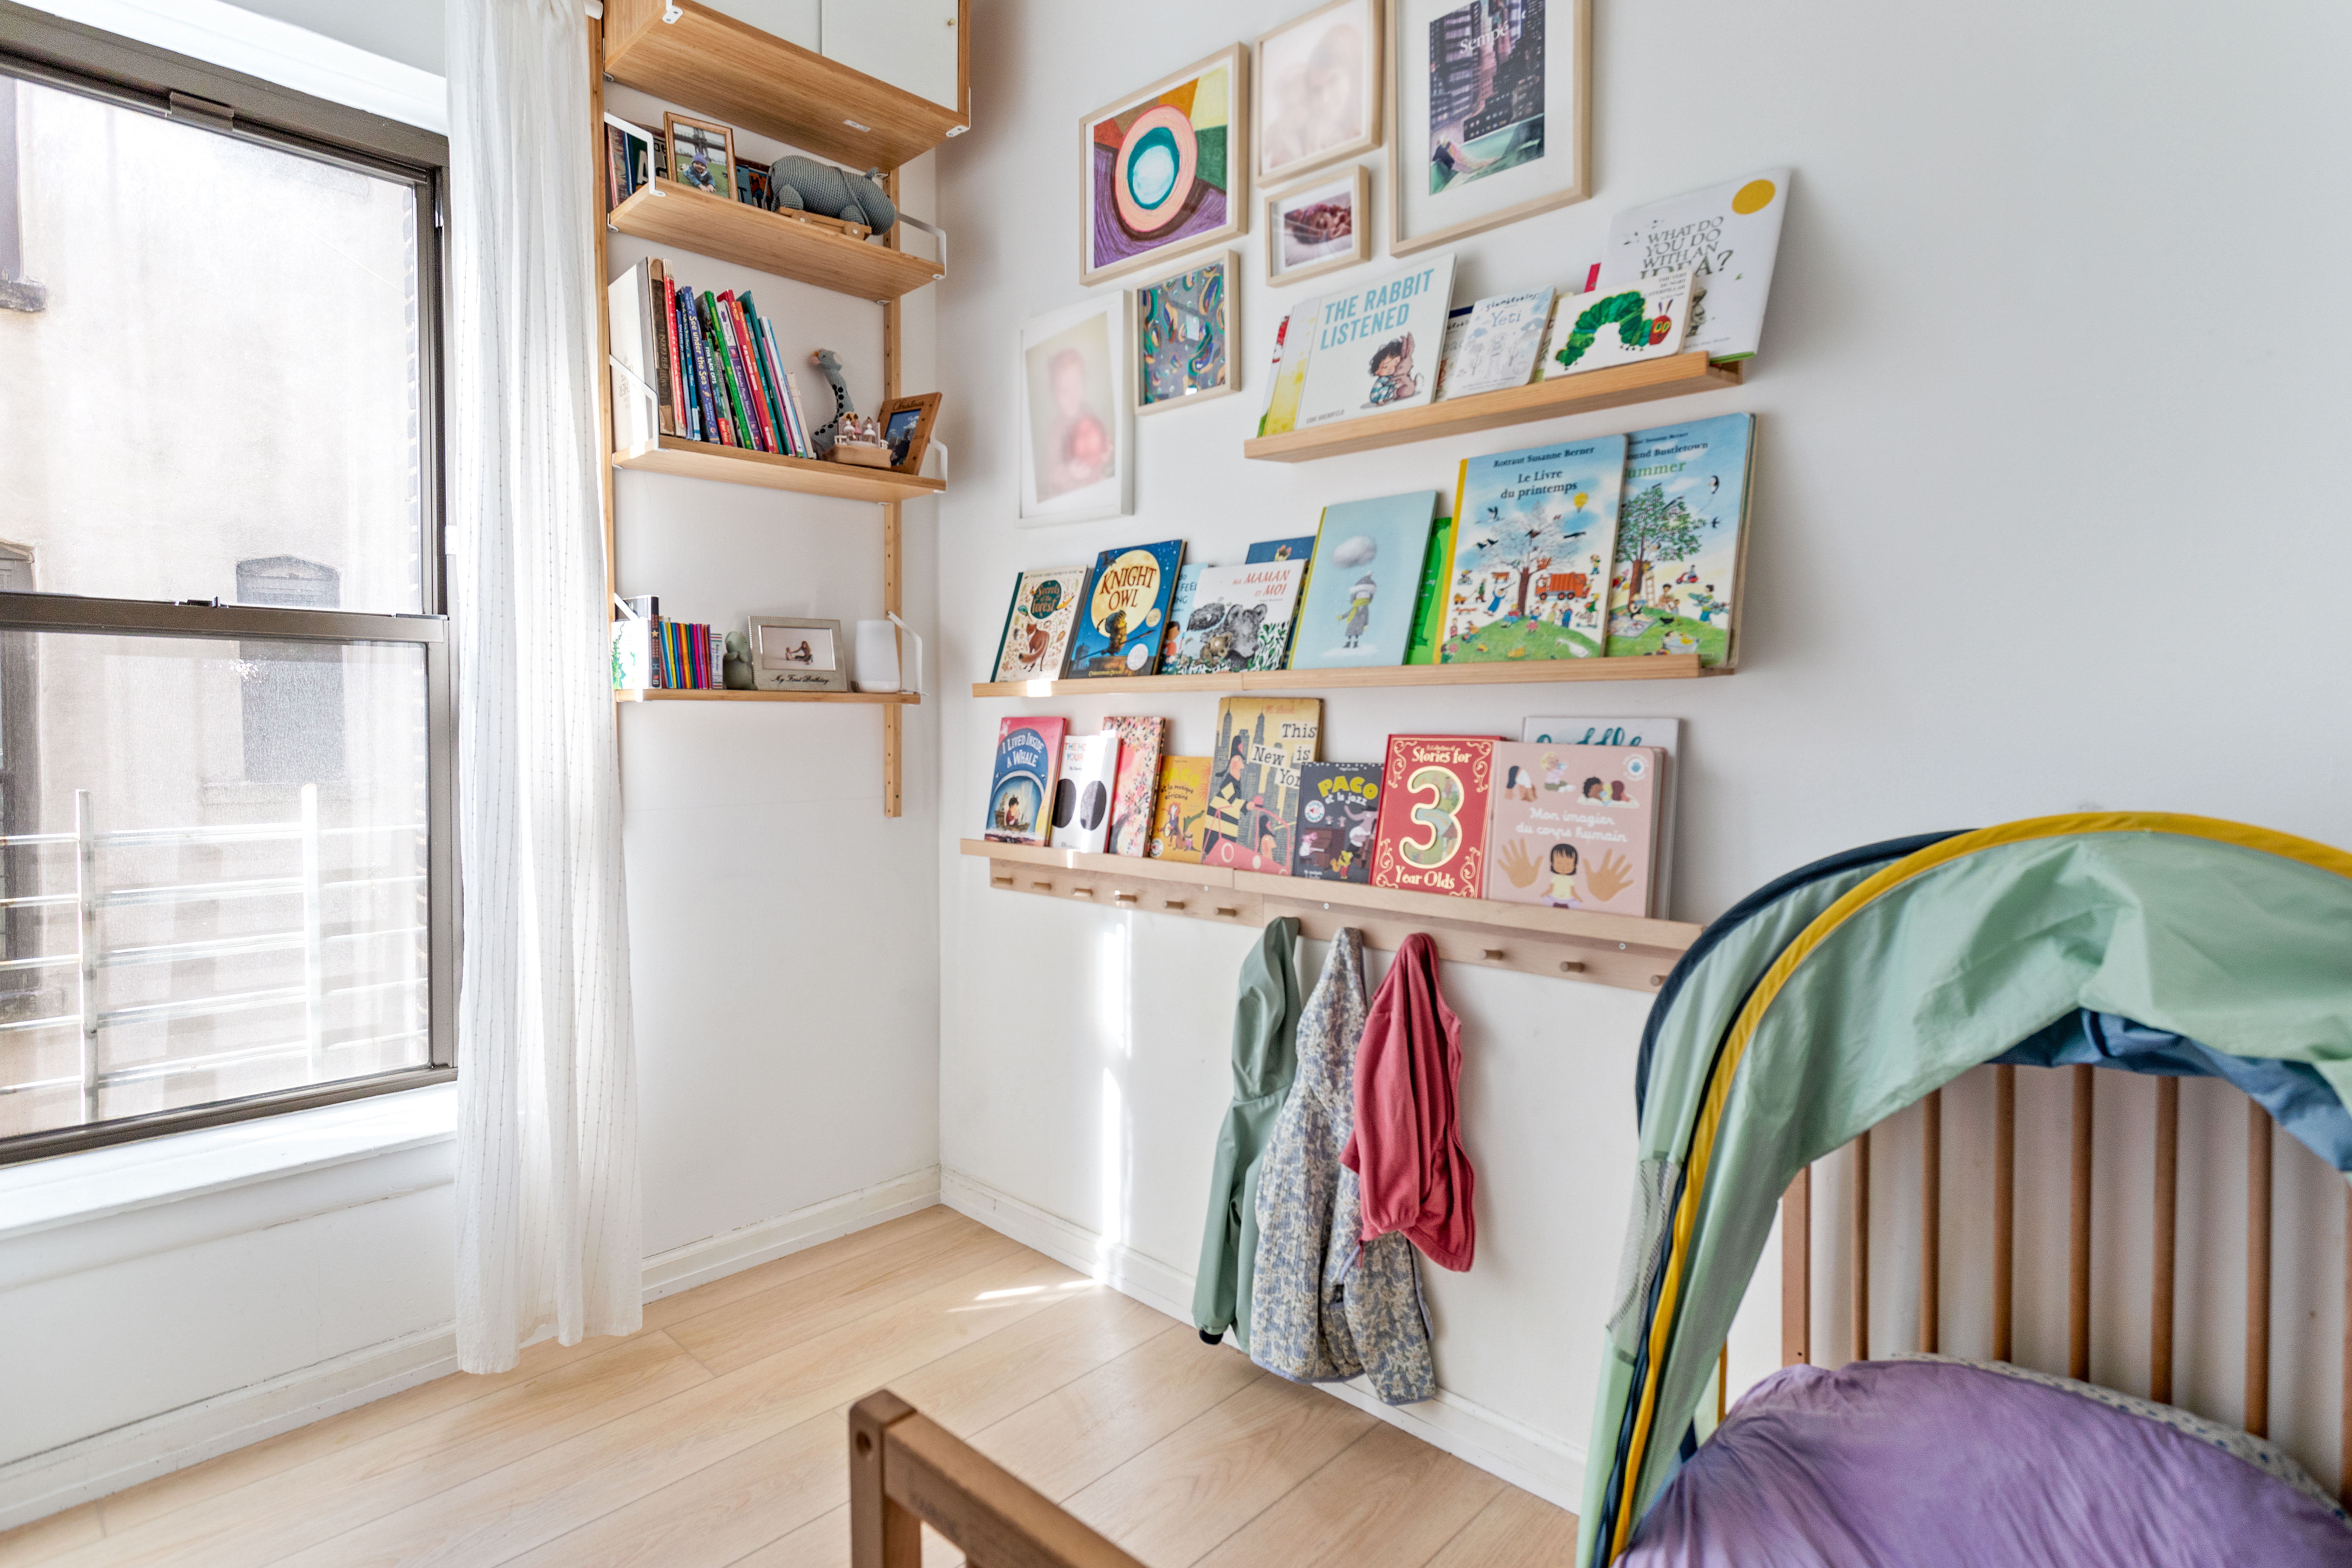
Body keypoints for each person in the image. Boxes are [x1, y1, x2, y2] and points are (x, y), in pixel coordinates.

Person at [1041, 347, 1111, 499]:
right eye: (1064, 390)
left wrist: (1104, 452)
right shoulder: (1056, 429)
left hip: (1092, 483)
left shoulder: (1088, 412)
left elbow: (1097, 444)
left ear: (1084, 381)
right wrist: (1069, 473)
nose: (1072, 395)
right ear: (1055, 395)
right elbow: (1051, 473)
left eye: (1076, 384)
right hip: (1066, 493)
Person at [1540, 842, 1581, 908]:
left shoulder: (1570, 880)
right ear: (1552, 863)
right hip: (1555, 898)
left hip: (1567, 900)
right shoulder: (1555, 878)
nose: (1563, 867)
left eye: (1568, 864)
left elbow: (1573, 892)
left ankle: (1565, 905)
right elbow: (1551, 889)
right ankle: (1556, 904)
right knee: (1546, 899)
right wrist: (1544, 894)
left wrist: (1578, 898)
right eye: (1559, 863)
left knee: (1577, 903)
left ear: (1575, 866)